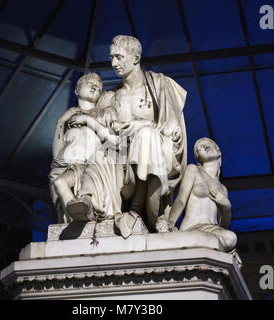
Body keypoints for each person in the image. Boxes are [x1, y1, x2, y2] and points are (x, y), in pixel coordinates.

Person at [67, 35, 188, 233]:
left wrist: (143, 125)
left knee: (146, 136)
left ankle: (138, 209)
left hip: (156, 155)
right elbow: (98, 134)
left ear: (136, 57)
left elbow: (172, 130)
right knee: (100, 154)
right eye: (112, 57)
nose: (114, 63)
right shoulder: (110, 97)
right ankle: (87, 202)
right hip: (121, 165)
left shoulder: (159, 85)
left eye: (119, 57)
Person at [49, 73, 118, 223]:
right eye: (89, 83)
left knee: (62, 184)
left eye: (99, 87)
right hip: (66, 167)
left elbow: (116, 141)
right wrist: (61, 122)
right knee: (58, 182)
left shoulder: (104, 113)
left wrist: (88, 120)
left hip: (90, 168)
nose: (95, 86)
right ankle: (77, 219)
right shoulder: (67, 118)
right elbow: (56, 156)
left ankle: (82, 216)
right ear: (77, 90)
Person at [165, 137, 237, 252]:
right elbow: (181, 200)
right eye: (199, 148)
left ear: (218, 152)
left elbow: (224, 226)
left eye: (208, 144)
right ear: (198, 158)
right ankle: (194, 242)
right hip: (193, 228)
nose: (204, 146)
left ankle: (202, 245)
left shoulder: (223, 189)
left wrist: (227, 206)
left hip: (214, 230)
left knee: (231, 237)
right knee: (227, 239)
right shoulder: (193, 170)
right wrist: (170, 223)